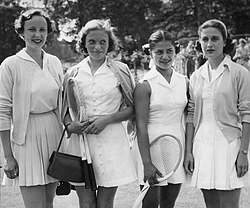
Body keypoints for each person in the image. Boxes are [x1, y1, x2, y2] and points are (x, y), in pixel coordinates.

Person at [62, 19, 137, 208]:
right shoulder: (73, 72)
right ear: (84, 44)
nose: (97, 47)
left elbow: (132, 108)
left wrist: (107, 119)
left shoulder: (121, 70)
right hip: (80, 145)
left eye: (103, 42)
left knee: (105, 203)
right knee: (86, 203)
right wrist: (72, 126)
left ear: (109, 44)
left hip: (112, 143)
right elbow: (63, 111)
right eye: (92, 42)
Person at [0, 9, 64, 208]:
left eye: (42, 30)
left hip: (53, 132)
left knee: (48, 202)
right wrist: (8, 156)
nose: (38, 35)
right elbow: (2, 111)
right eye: (32, 29)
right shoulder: (10, 65)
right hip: (26, 137)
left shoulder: (54, 62)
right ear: (22, 32)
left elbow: (63, 102)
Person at [184, 19, 250, 208]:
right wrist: (188, 151)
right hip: (201, 145)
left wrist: (243, 152)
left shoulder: (240, 73)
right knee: (211, 205)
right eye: (205, 39)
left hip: (229, 145)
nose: (209, 44)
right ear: (200, 43)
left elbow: (247, 115)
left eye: (215, 39)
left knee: (229, 205)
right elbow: (191, 115)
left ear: (224, 41)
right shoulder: (196, 76)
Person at [134, 29, 188, 208]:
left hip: (176, 145)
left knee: (168, 204)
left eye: (169, 51)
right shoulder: (144, 84)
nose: (165, 56)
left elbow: (189, 116)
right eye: (159, 52)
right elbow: (140, 127)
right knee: (149, 204)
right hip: (151, 146)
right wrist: (147, 162)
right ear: (150, 52)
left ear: (176, 51)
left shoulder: (184, 81)